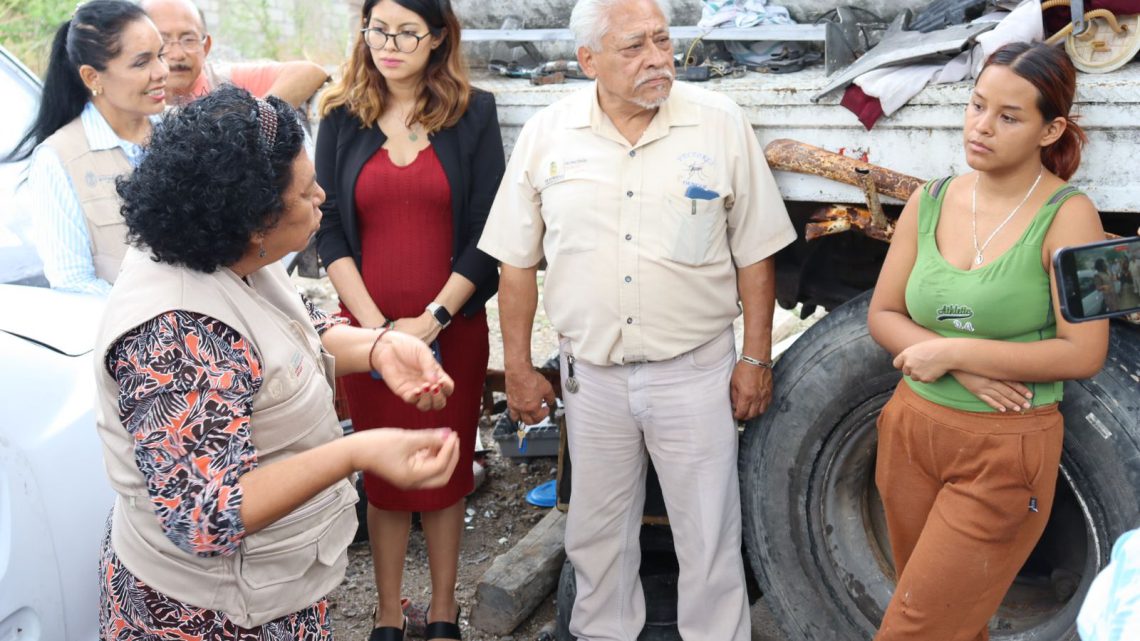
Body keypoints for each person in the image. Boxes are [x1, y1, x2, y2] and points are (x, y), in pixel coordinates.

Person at [477, 0, 797, 638]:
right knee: (596, 539)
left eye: (662, 40)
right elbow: (515, 267)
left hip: (695, 371)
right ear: (588, 60)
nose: (657, 58)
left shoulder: (718, 123)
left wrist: (755, 358)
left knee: (709, 536)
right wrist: (516, 366)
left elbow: (755, 252)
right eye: (634, 47)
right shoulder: (549, 133)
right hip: (591, 378)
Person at [96, 85, 460, 639]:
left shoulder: (222, 254)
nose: (322, 196)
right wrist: (359, 450)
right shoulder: (175, 335)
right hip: (213, 615)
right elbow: (207, 514)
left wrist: (379, 348)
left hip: (272, 589)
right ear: (254, 222)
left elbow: (289, 334)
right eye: (306, 190)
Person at [866, 42, 1109, 641]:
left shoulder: (1075, 217)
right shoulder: (931, 198)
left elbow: (1085, 353)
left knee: (913, 631)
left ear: (1050, 129)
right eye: (977, 106)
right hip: (909, 436)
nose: (982, 126)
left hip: (1004, 453)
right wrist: (960, 370)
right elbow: (883, 314)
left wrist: (953, 352)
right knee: (954, 626)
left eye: (1009, 116)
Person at [314, 0, 504, 639]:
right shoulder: (341, 114)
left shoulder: (474, 114)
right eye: (377, 30)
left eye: (406, 32)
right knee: (385, 472)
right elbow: (329, 229)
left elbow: (488, 234)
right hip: (366, 336)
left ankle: (445, 612)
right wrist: (376, 334)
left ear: (439, 37)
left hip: (453, 328)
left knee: (445, 466)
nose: (388, 45)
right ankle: (389, 615)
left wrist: (431, 319)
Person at [6, 0, 167, 294]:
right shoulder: (59, 158)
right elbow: (72, 282)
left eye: (161, 55)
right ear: (92, 77)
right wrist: (154, 315)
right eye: (142, 62)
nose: (162, 72)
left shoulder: (178, 132)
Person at [141, 0, 328, 108]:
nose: (177, 54)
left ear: (206, 47)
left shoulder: (224, 81)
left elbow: (310, 72)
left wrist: (255, 119)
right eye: (164, 40)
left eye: (188, 39)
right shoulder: (129, 94)